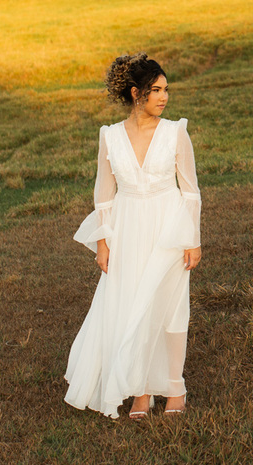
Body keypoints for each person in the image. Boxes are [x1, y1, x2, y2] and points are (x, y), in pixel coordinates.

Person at [64, 53, 202, 419]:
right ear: (135, 93)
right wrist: (103, 244)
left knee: (170, 308)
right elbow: (103, 195)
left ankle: (175, 387)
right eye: (157, 90)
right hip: (126, 229)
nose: (165, 97)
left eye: (166, 90)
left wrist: (193, 238)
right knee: (130, 309)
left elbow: (190, 190)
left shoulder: (175, 132)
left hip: (168, 227)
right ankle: (140, 390)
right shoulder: (109, 137)